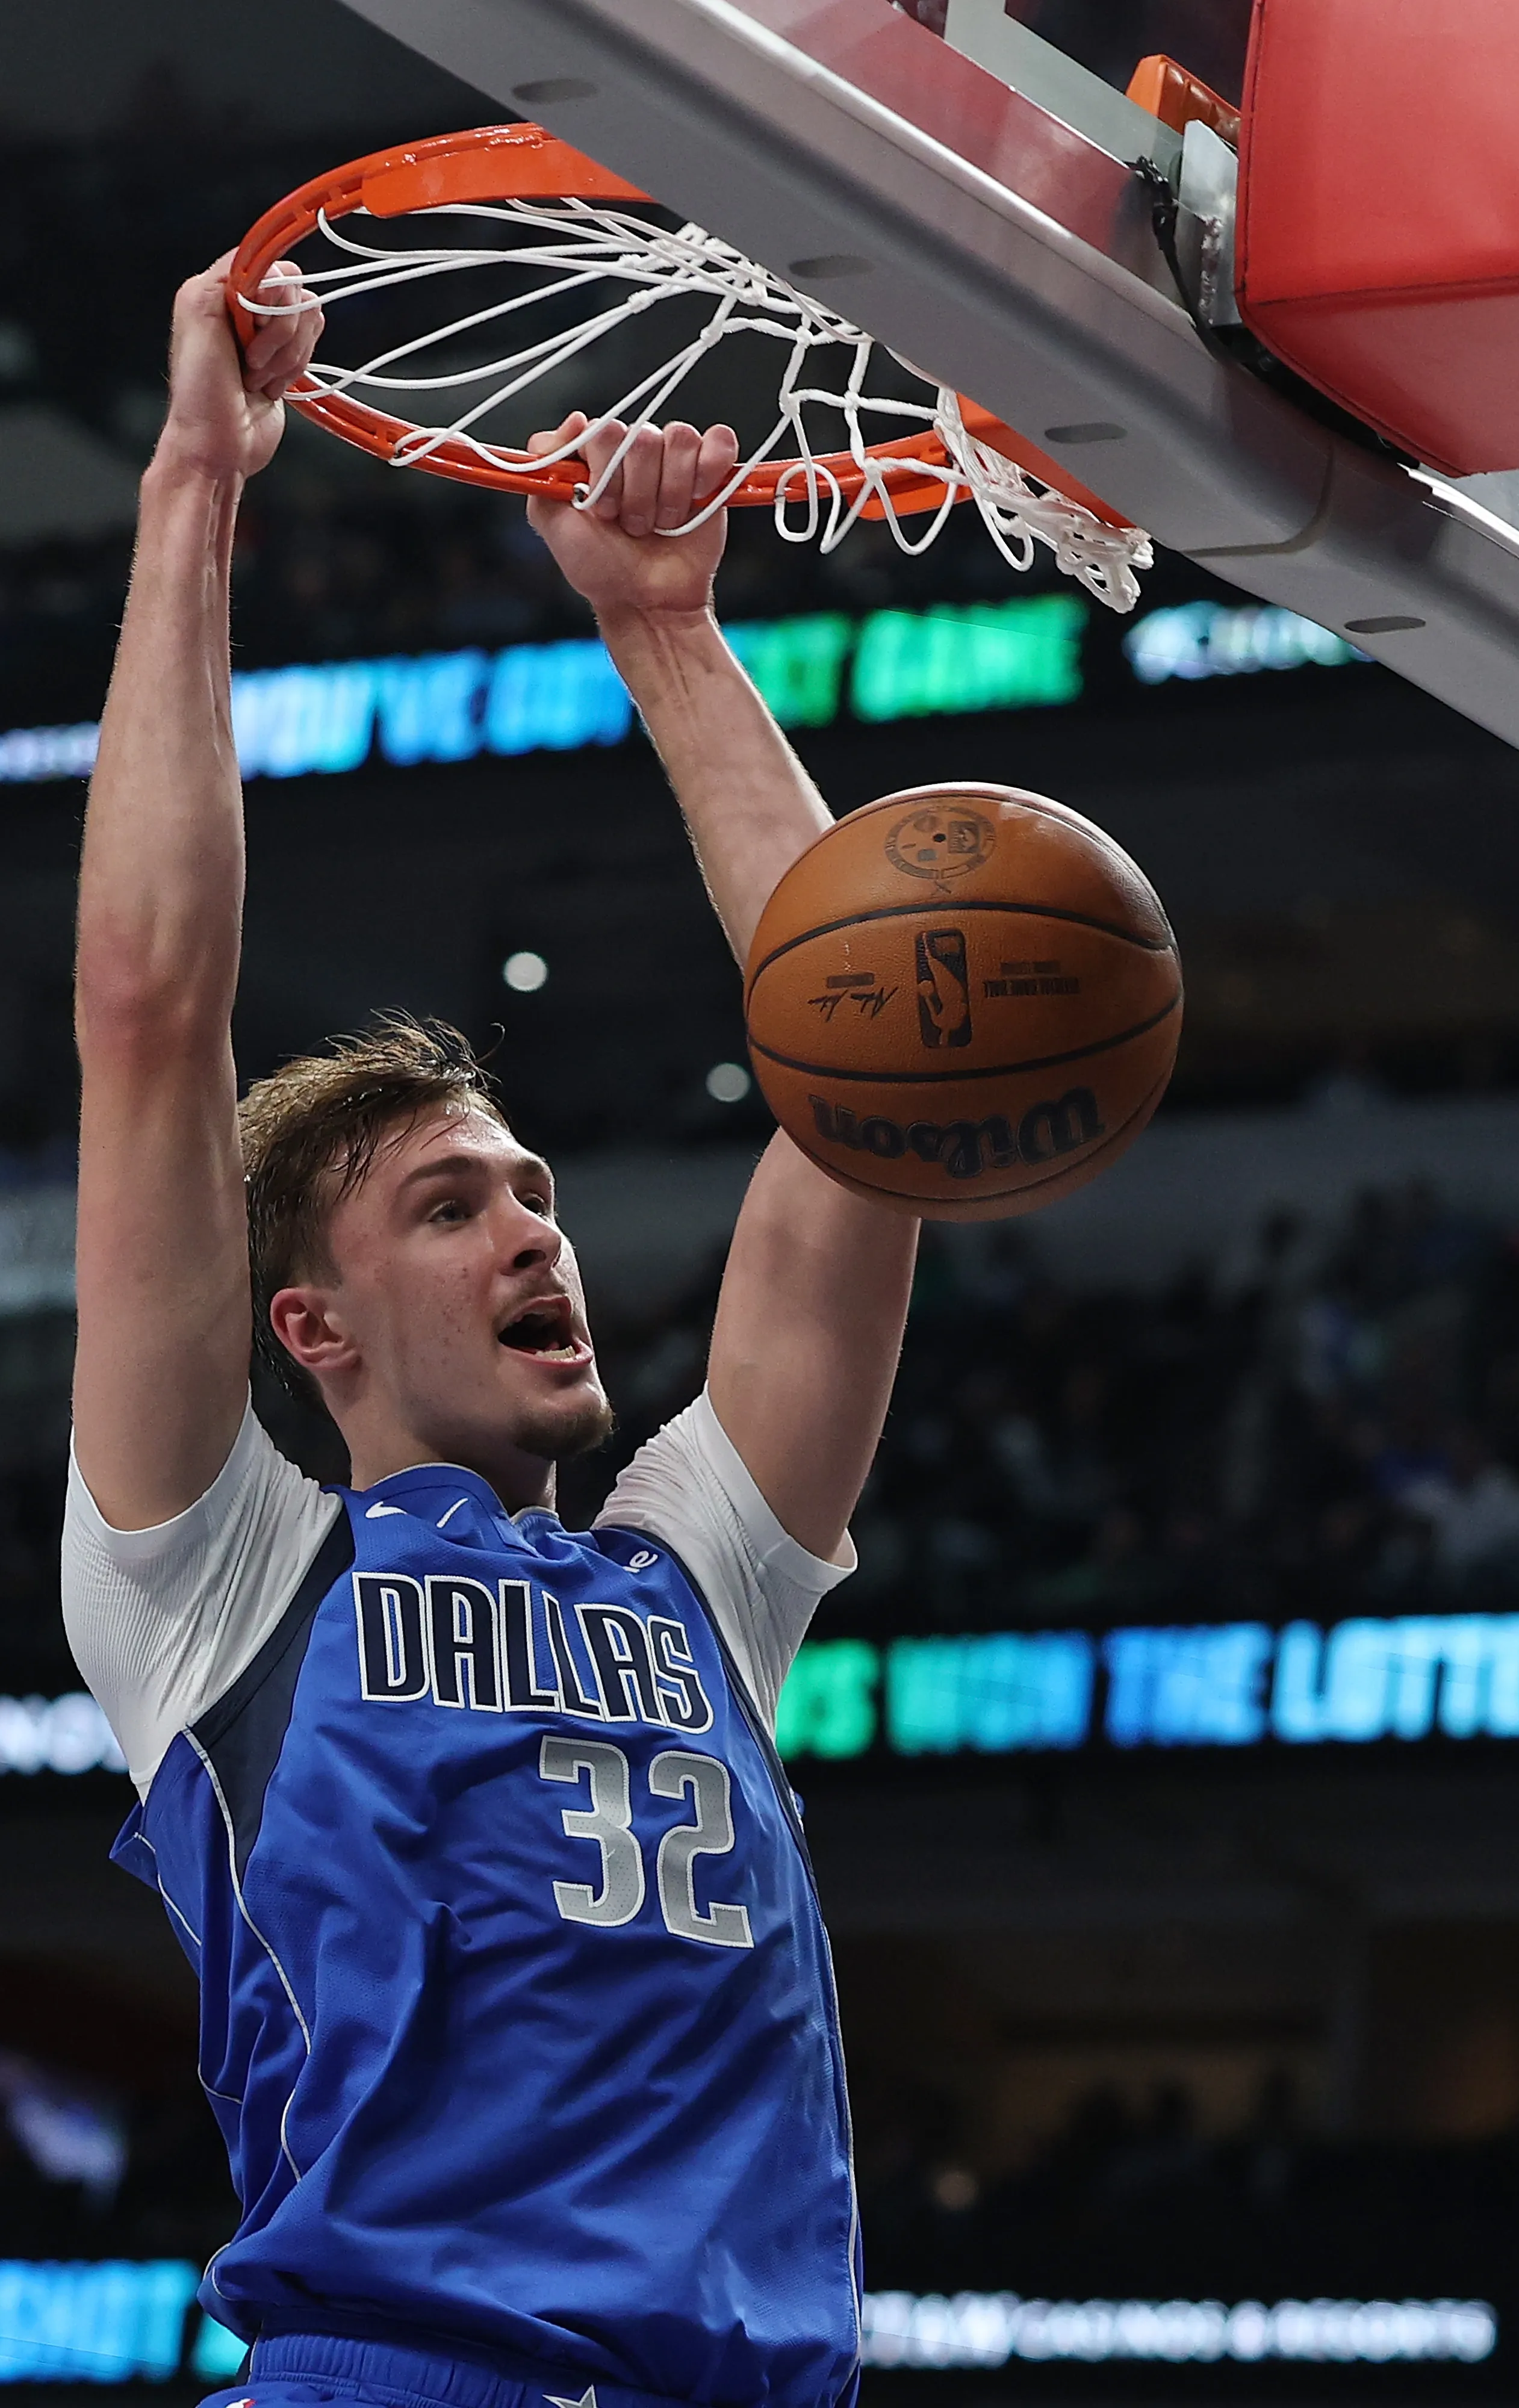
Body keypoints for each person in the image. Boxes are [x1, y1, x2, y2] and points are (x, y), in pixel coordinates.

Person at [60, 258, 920, 2408]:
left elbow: (872, 1094)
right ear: (308, 1324)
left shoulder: (693, 1575)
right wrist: (197, 490)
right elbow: (154, 1027)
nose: (533, 1231)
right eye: (451, 1208)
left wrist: (668, 631)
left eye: (534, 1193)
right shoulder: (220, 1581)